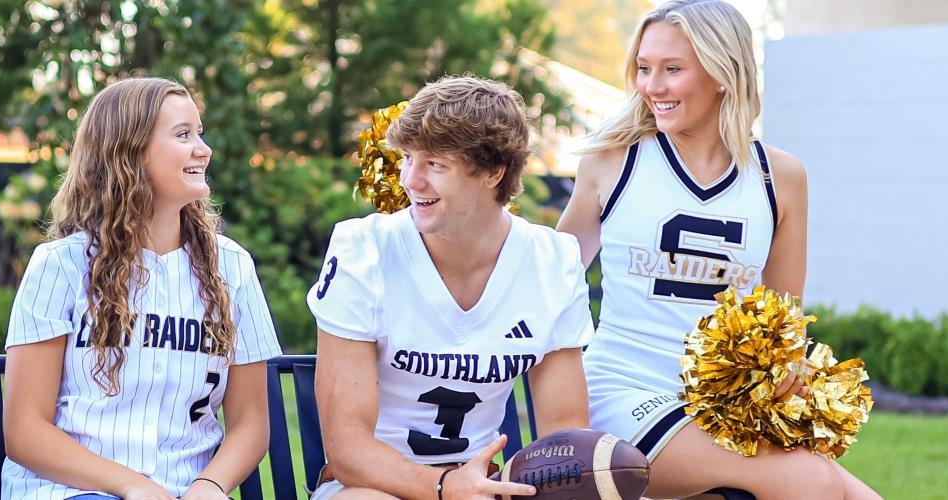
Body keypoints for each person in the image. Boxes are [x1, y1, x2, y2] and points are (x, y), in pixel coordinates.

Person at [554, 1, 880, 498]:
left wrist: (789, 373)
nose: (651, 86)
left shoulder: (779, 177)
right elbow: (549, 282)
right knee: (809, 481)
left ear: (722, 72)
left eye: (672, 69)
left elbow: (783, 322)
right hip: (623, 393)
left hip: (720, 405)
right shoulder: (613, 161)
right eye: (644, 68)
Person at [310, 75, 596, 500]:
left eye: (435, 165)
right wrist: (446, 487)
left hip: (481, 488)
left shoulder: (551, 259)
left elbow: (564, 439)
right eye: (408, 158)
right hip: (372, 486)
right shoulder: (363, 248)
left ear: (493, 172)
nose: (410, 179)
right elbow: (348, 449)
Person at [0, 77, 283, 500]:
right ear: (128, 153)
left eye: (199, 134)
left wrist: (209, 486)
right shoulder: (61, 265)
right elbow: (25, 431)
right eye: (183, 134)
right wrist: (134, 487)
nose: (203, 150)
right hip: (67, 491)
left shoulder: (233, 267)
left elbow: (250, 422)